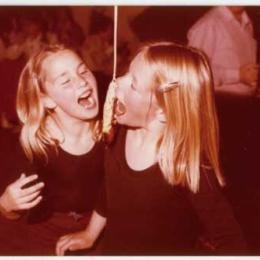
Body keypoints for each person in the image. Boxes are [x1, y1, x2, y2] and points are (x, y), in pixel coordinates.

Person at [56, 42, 247, 256]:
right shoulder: (118, 133)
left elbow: (230, 238)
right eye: (127, 73)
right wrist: (90, 234)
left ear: (164, 111)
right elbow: (110, 188)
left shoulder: (188, 165)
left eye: (134, 84)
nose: (117, 81)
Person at [0, 44, 104, 255]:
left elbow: (111, 193)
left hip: (99, 224)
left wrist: (91, 234)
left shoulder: (110, 132)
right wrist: (6, 204)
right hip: (46, 230)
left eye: (82, 70)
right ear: (47, 100)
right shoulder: (34, 144)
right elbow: (12, 213)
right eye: (66, 81)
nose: (82, 80)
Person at [187, 6, 258, 97]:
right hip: (219, 104)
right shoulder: (209, 24)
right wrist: (238, 75)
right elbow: (192, 72)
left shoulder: (247, 23)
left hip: (244, 103)